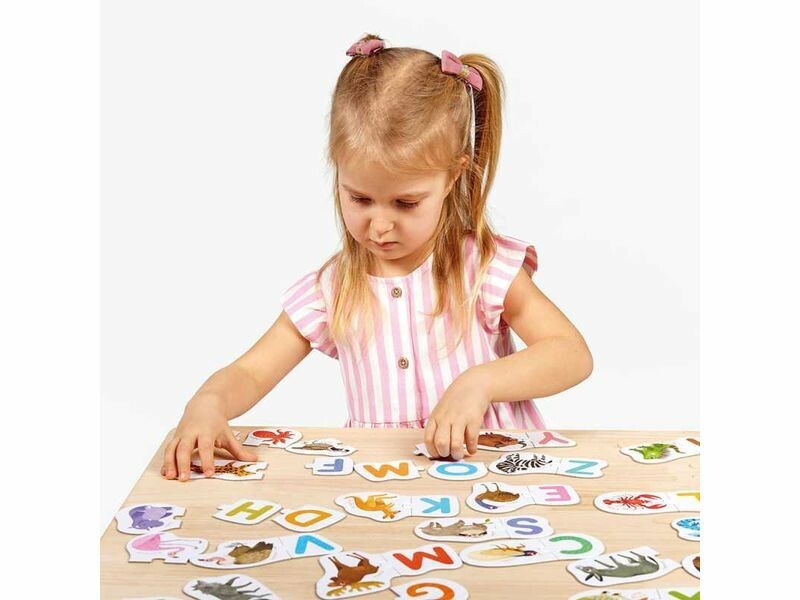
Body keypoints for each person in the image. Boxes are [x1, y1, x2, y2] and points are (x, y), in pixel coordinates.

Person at [161, 34, 593, 482]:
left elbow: (570, 354)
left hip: (497, 479)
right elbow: (251, 372)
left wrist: (480, 383)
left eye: (406, 203)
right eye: (360, 199)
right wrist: (207, 403)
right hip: (385, 487)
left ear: (453, 177)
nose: (380, 226)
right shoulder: (332, 289)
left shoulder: (483, 267)